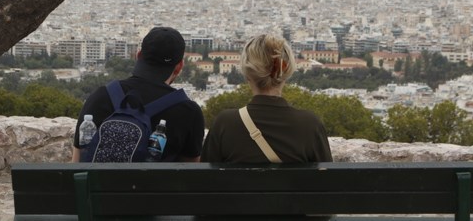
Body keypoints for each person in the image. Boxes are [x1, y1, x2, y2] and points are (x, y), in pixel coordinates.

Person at [72, 26, 205, 161]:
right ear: (179, 66)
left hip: (100, 182)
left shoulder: (101, 96)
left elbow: (77, 161)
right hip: (156, 183)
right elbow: (190, 172)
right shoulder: (188, 111)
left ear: (138, 55)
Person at [202, 33, 332, 163]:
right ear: (286, 73)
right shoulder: (310, 125)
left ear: (247, 75)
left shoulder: (225, 123)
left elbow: (204, 178)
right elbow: (326, 179)